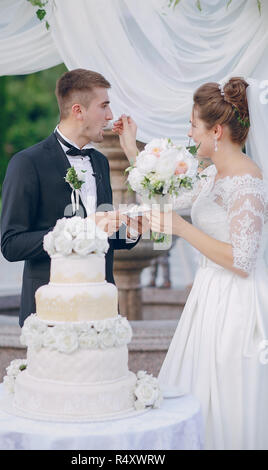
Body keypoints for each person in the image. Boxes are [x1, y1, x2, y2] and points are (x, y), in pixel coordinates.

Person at [113, 77, 268, 450]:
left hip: (238, 305)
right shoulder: (213, 174)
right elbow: (168, 199)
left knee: (229, 399)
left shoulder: (247, 181)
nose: (189, 133)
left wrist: (181, 229)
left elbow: (243, 260)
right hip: (210, 296)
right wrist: (132, 150)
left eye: (193, 125)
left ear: (216, 130)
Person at [0, 68, 145, 327]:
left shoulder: (99, 162)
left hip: (101, 311)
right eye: (104, 106)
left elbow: (103, 236)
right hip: (49, 312)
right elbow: (12, 244)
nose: (110, 116)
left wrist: (130, 232)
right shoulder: (26, 163)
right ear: (78, 111)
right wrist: (85, 228)